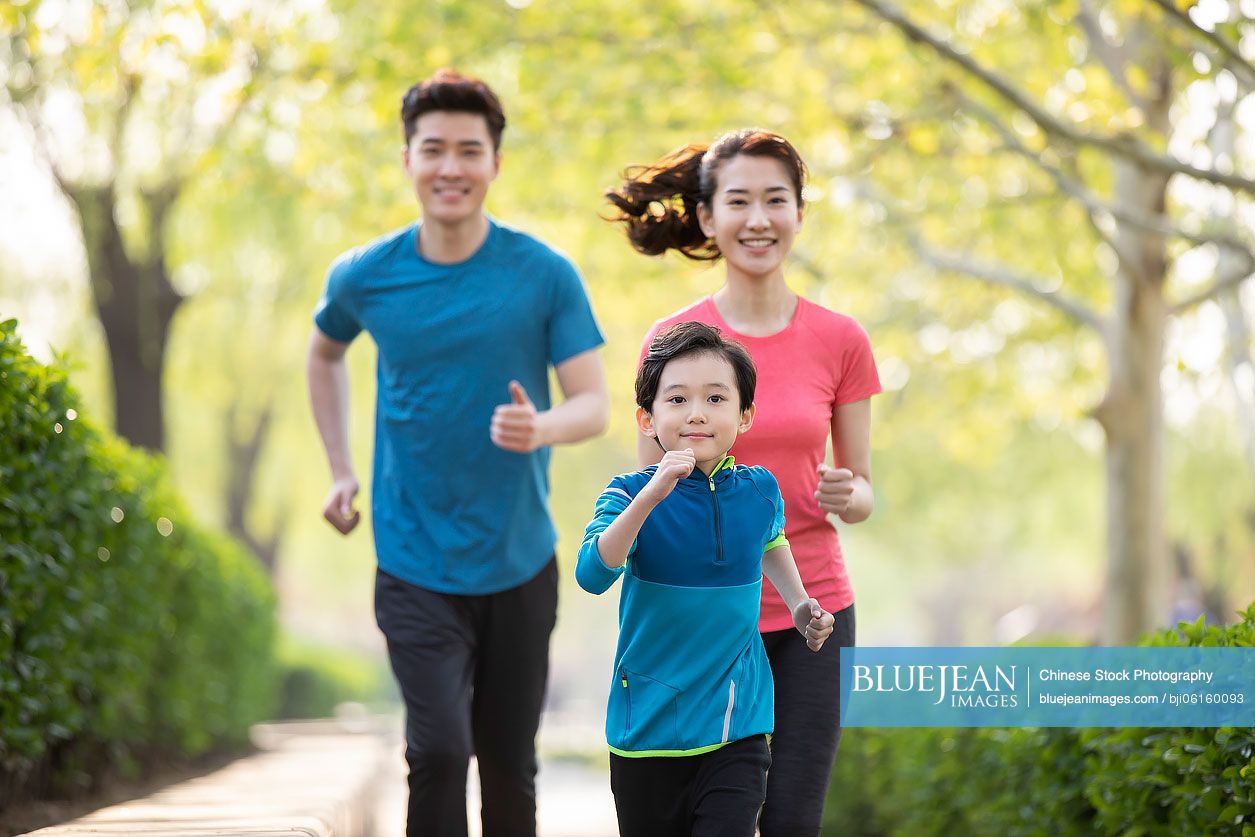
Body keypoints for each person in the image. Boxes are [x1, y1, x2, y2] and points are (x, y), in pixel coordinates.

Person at [306, 68, 609, 837]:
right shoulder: (365, 275)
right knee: (438, 749)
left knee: (508, 765)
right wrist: (341, 468)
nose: (450, 167)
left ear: (495, 163)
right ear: (406, 159)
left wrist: (539, 427)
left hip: (519, 558)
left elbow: (594, 405)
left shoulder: (543, 274)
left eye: (468, 150)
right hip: (413, 558)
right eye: (432, 148)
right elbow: (324, 354)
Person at [605, 129, 881, 836]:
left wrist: (847, 493)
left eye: (775, 200)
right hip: (695, 622)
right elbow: (647, 489)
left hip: (807, 614)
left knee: (791, 820)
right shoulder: (673, 338)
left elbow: (861, 490)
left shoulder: (840, 338)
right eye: (738, 200)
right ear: (706, 217)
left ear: (797, 213)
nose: (757, 218)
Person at [576, 321, 835, 837]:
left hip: (736, 724)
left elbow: (771, 541)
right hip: (647, 728)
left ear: (745, 415)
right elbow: (592, 572)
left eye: (716, 398)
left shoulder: (760, 488)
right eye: (677, 399)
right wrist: (653, 493)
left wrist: (802, 603)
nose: (697, 412)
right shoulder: (626, 494)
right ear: (647, 418)